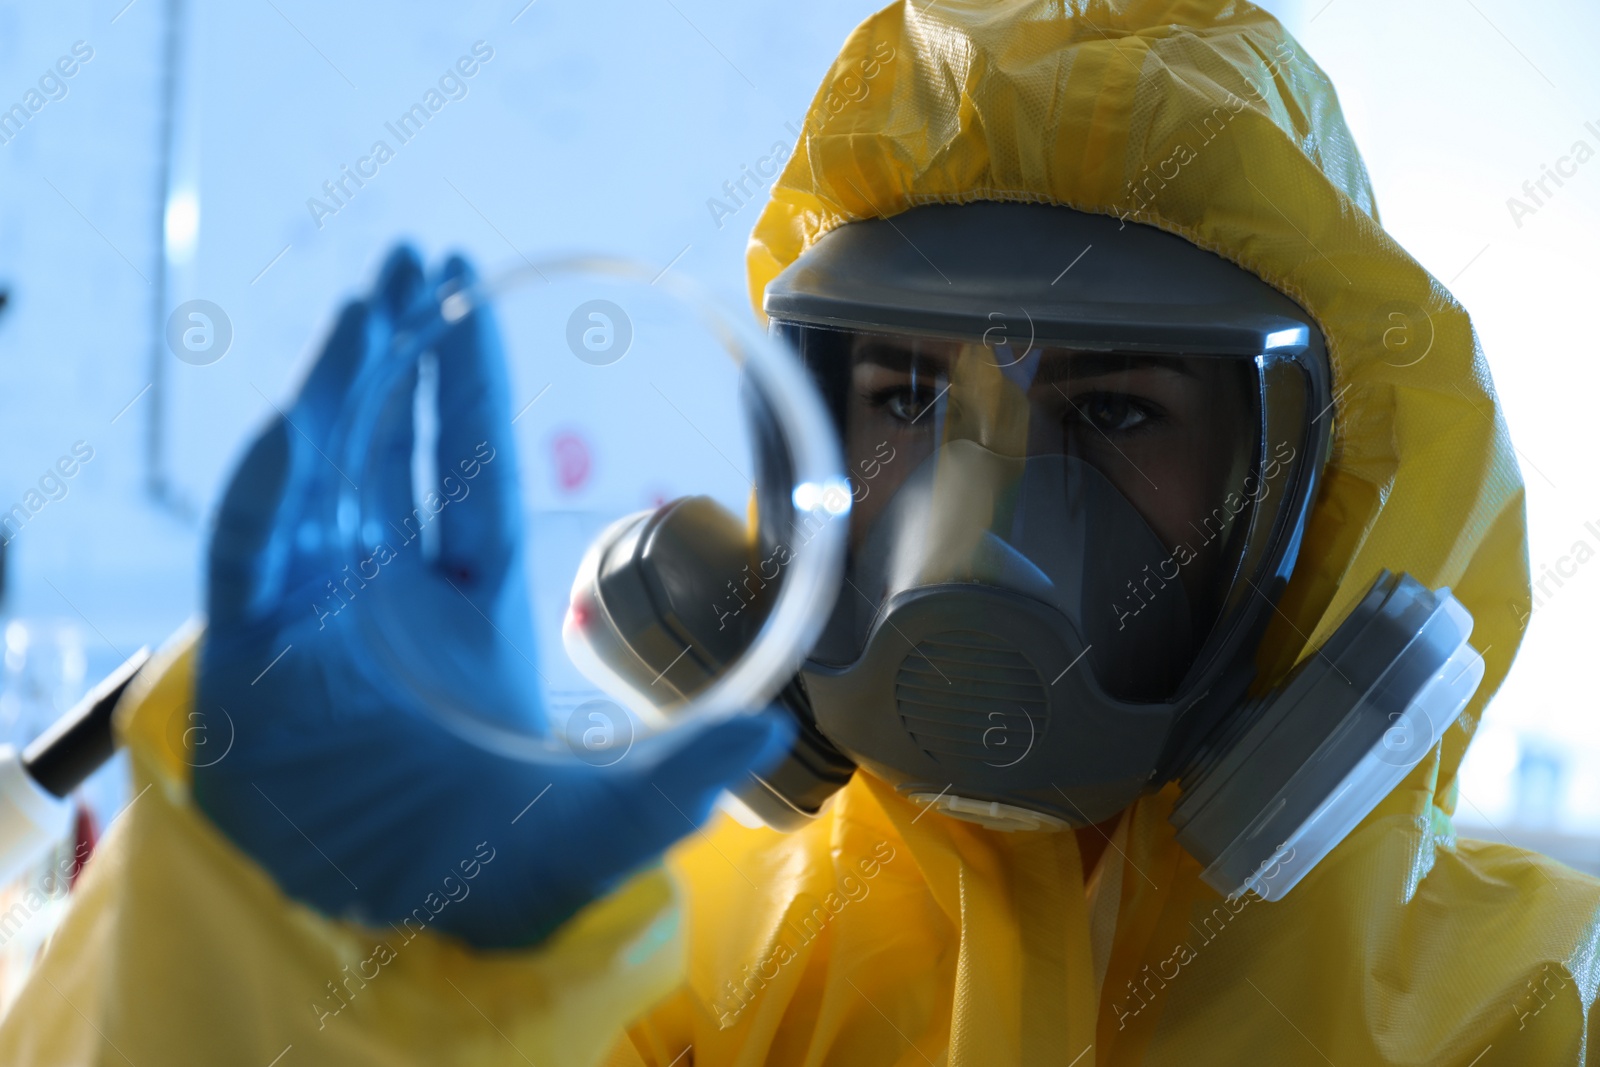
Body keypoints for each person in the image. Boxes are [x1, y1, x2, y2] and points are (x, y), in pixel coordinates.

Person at [2, 1, 1596, 1064]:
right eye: (906, 391)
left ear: (1305, 492)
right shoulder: (657, 970)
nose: (974, 507)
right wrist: (269, 921)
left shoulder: (1520, 1009)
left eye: (1113, 414)